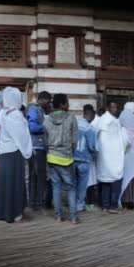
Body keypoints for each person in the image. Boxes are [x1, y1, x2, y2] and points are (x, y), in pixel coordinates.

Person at [0, 87, 32, 223]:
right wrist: (28, 151)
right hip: (14, 153)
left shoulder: (2, 113)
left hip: (4, 152)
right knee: (15, 183)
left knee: (4, 183)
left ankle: (2, 212)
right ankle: (14, 213)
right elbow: (21, 137)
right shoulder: (15, 115)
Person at [44, 93, 79, 224]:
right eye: (67, 102)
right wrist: (70, 152)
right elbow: (75, 141)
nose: (68, 105)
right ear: (63, 104)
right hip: (66, 159)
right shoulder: (71, 118)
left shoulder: (46, 120)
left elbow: (46, 140)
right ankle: (74, 217)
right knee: (70, 188)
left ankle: (58, 216)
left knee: (56, 187)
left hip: (52, 158)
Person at [96, 101, 128, 214]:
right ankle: (110, 206)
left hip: (114, 156)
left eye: (116, 107)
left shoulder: (115, 121)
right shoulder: (105, 120)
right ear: (108, 107)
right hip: (106, 156)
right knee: (109, 182)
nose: (115, 109)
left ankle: (109, 205)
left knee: (111, 181)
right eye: (113, 107)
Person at [25, 91, 52, 214]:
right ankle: (39, 204)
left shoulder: (38, 110)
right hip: (37, 149)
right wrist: (45, 126)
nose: (49, 104)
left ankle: (33, 203)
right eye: (48, 101)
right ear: (43, 100)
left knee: (34, 177)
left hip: (37, 148)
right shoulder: (34, 110)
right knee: (40, 177)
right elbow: (32, 127)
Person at [74, 104, 97, 212]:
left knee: (73, 183)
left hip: (73, 159)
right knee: (82, 185)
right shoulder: (90, 128)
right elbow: (92, 146)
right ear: (91, 114)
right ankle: (79, 205)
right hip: (84, 160)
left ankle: (72, 203)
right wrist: (94, 154)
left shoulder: (75, 124)